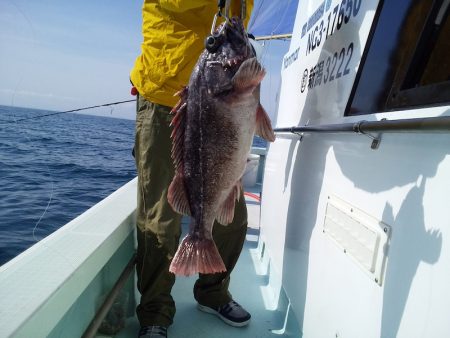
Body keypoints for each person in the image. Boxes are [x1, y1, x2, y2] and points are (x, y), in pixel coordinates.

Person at [130, 1, 254, 337]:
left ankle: (213, 291)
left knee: (234, 217)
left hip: (218, 97)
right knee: (160, 217)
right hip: (162, 98)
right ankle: (155, 311)